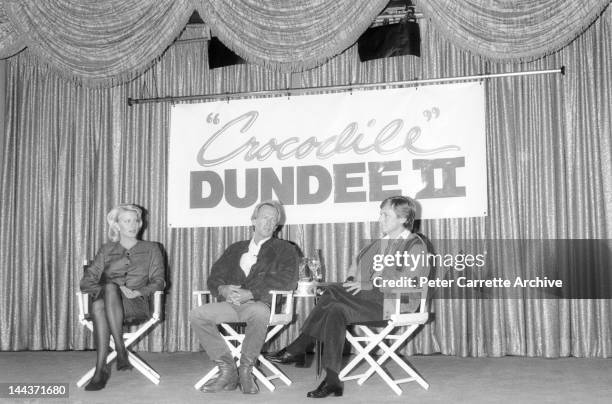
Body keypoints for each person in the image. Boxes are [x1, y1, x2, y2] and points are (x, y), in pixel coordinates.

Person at [266, 195, 430, 398]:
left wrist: (369, 283)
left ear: (403, 219)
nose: (380, 219)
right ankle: (332, 380)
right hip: (372, 302)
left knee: (333, 291)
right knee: (335, 309)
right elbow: (356, 267)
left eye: (385, 215)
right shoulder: (380, 244)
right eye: (380, 214)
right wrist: (354, 278)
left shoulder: (415, 245)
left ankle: (301, 344)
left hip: (399, 303)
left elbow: (410, 282)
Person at [189, 200, 299, 394]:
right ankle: (227, 370)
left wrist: (252, 293)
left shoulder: (285, 250)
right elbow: (215, 277)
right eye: (265, 217)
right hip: (231, 304)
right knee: (197, 314)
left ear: (276, 226)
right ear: (254, 220)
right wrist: (222, 289)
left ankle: (246, 370)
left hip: (262, 304)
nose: (269, 223)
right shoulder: (235, 249)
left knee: (257, 312)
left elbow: (287, 280)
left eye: (273, 220)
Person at [80, 204, 165, 391]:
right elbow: (86, 282)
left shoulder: (152, 248)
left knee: (100, 303)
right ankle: (115, 356)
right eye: (127, 221)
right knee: (105, 295)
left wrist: (138, 292)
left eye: (136, 220)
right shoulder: (106, 250)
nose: (133, 225)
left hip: (135, 304)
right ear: (117, 225)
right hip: (105, 303)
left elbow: (159, 282)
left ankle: (103, 367)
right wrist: (112, 288)